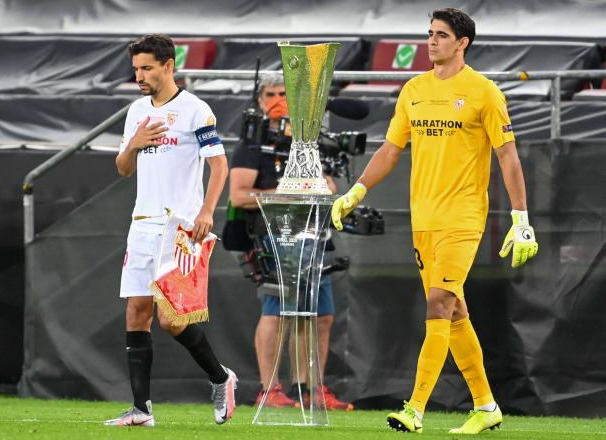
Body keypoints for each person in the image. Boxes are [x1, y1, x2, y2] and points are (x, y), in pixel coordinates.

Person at [332, 8, 538, 434]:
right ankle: (486, 406)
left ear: (462, 43)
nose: (431, 42)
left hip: (463, 216)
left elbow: (507, 156)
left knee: (439, 303)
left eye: (440, 36)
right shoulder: (414, 89)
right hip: (423, 217)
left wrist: (521, 217)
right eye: (429, 34)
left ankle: (416, 408)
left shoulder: (484, 92)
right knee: (456, 311)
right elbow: (391, 149)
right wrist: (357, 191)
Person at [105, 34, 236, 427]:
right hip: (142, 224)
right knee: (136, 311)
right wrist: (134, 145)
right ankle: (142, 409)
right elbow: (123, 168)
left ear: (168, 65)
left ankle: (221, 377)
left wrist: (207, 212)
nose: (139, 76)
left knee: (171, 320)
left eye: (146, 68)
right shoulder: (136, 112)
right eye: (136, 69)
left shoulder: (196, 110)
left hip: (179, 228)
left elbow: (220, 166)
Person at [229, 72, 353, 411]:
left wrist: (324, 188)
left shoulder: (306, 143)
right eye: (269, 94)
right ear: (259, 100)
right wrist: (283, 194)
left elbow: (328, 185)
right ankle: (270, 389)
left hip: (314, 238)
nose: (276, 101)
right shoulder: (251, 146)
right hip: (274, 241)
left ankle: (310, 389)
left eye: (283, 93)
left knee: (320, 316)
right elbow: (238, 196)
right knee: (277, 314)